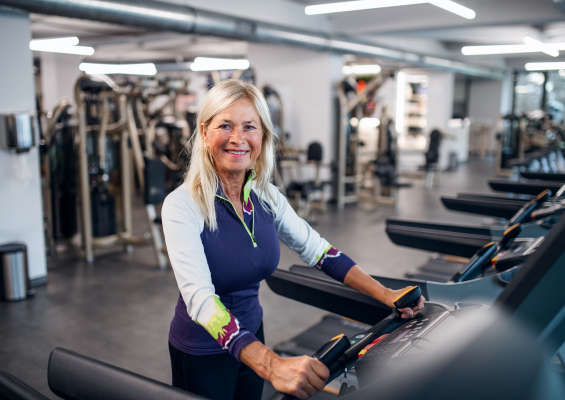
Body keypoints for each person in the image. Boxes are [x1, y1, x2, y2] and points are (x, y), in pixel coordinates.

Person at [161, 79, 425, 400]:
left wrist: (386, 294)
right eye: (225, 126)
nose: (238, 138)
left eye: (249, 127)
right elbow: (200, 300)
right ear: (204, 132)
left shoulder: (266, 196)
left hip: (251, 336)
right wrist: (272, 365)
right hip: (203, 349)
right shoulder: (182, 205)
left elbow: (320, 252)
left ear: (263, 136)